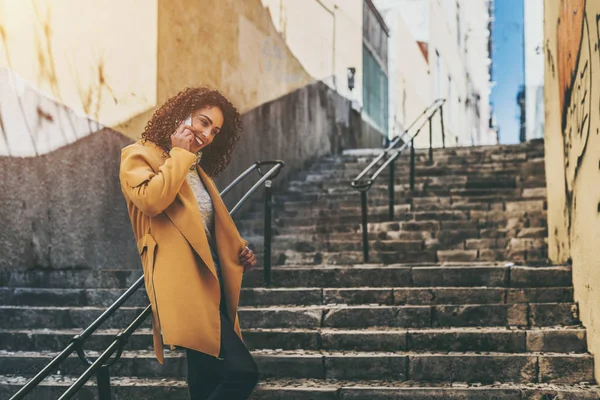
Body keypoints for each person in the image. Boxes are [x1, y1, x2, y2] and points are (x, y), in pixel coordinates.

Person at [119, 86, 259, 399]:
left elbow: (206, 229)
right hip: (184, 285)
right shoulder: (138, 156)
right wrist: (180, 154)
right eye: (203, 121)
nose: (208, 134)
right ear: (181, 114)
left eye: (215, 130)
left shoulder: (195, 169)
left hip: (213, 281)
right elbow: (152, 201)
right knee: (242, 372)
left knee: (205, 382)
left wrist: (239, 251)